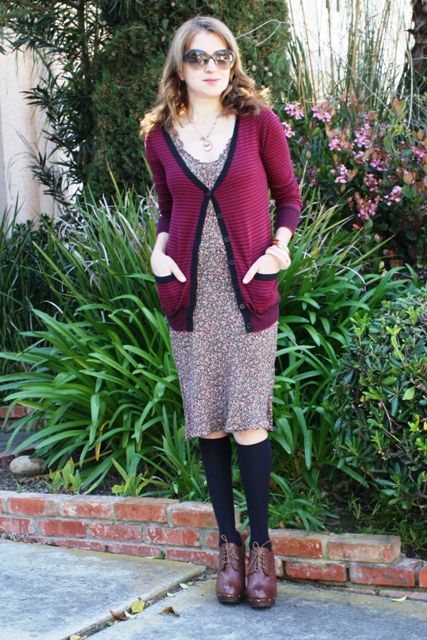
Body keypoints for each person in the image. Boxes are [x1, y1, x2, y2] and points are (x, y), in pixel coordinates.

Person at [141, 15, 301, 609]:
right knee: (208, 421)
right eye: (198, 57)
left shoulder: (259, 122)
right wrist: (158, 253)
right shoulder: (160, 136)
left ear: (233, 62)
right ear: (179, 67)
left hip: (248, 295)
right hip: (190, 297)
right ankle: (227, 547)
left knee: (249, 420)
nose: (212, 67)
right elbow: (167, 207)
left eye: (222, 56)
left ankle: (260, 549)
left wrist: (279, 249)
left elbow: (288, 197)